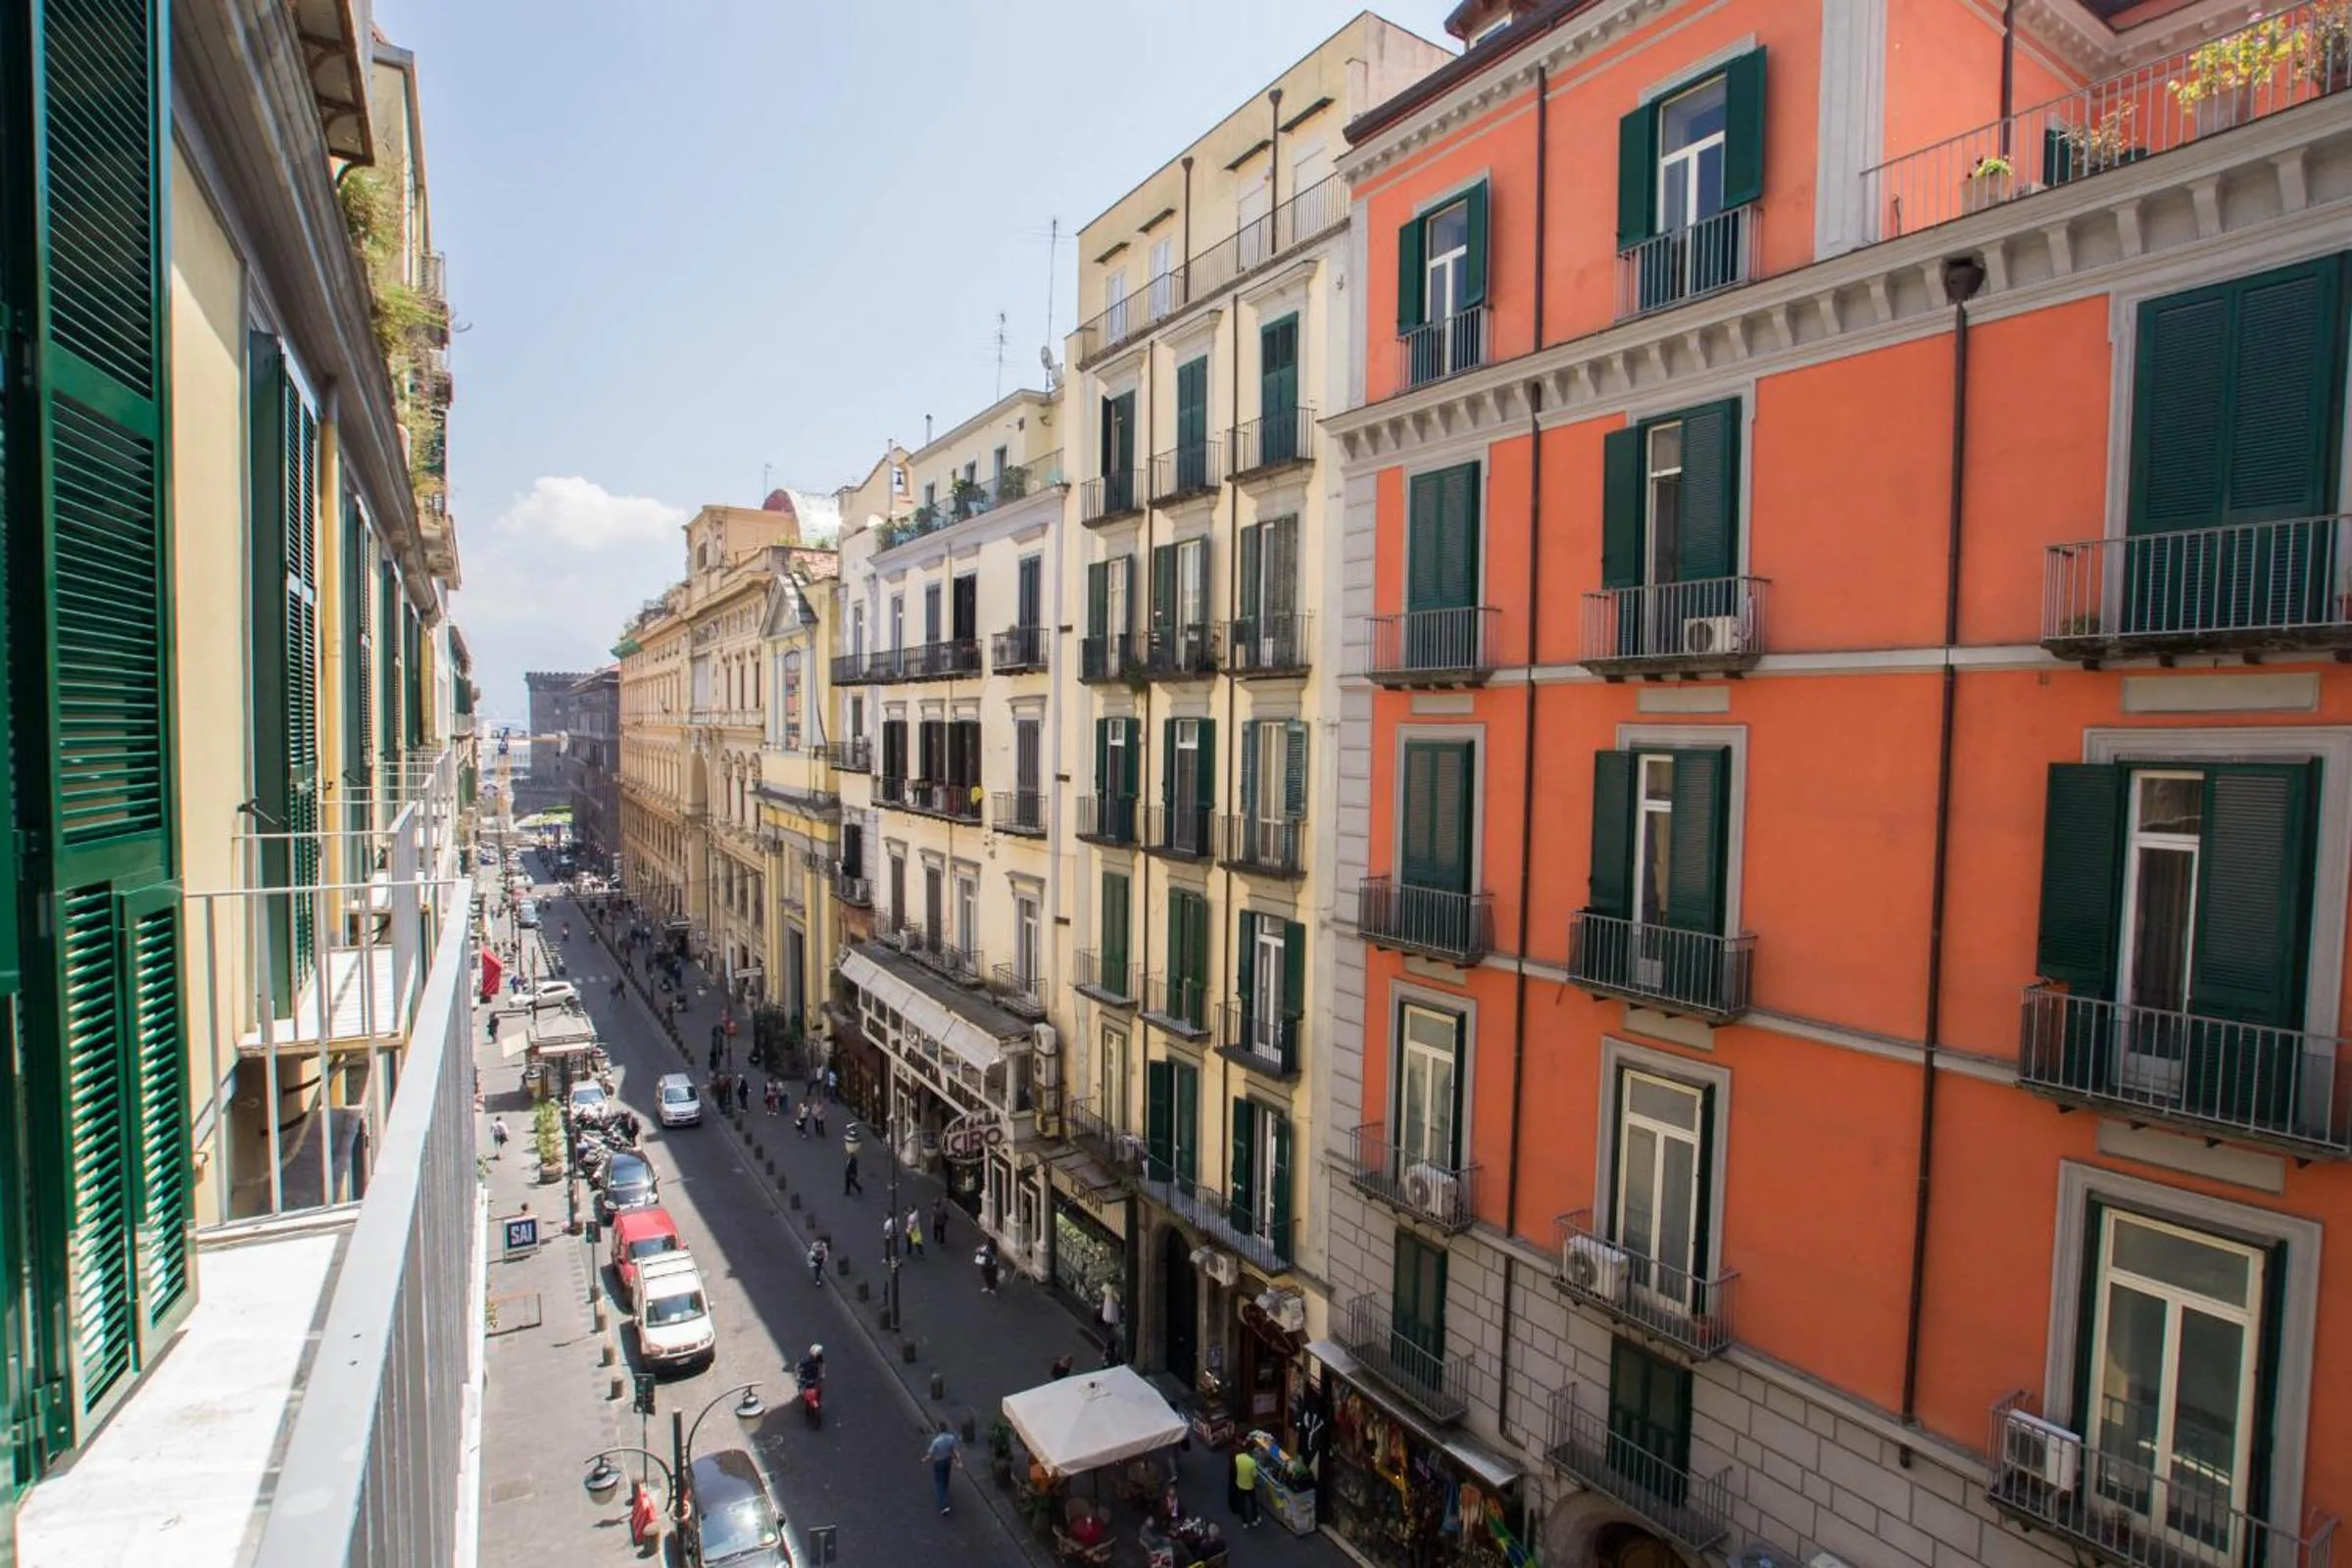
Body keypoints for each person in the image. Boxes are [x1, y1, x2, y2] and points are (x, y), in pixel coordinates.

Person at [923, 1423, 961, 1516]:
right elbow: (955, 1451)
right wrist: (958, 1461)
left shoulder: (936, 1441)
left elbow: (930, 1454)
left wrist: (924, 1459)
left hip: (938, 1462)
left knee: (939, 1482)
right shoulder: (951, 1438)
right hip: (947, 1460)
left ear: (939, 1430)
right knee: (946, 1477)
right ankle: (945, 1492)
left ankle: (943, 1505)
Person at [1233, 1447, 1259, 1528]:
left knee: (1242, 1503)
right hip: (1249, 1487)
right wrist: (1255, 1484)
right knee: (1253, 1503)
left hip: (1240, 1484)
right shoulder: (1252, 1462)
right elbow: (1255, 1476)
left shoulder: (1238, 1457)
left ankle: (1244, 1522)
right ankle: (1254, 1520)